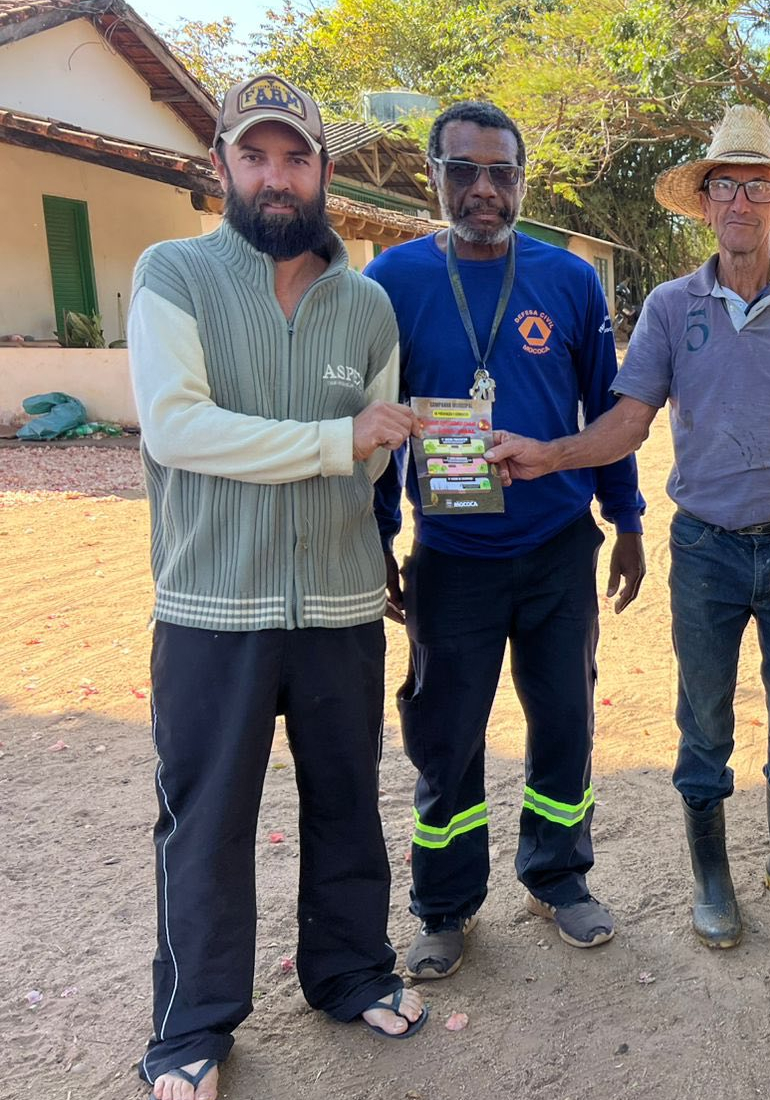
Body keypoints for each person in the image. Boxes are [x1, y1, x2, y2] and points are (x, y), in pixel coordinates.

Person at [482, 105, 770, 948]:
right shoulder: (667, 307)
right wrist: (548, 455)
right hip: (706, 550)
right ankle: (713, 878)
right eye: (722, 185)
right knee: (705, 720)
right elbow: (627, 423)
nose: (739, 201)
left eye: (755, 186)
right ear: (703, 203)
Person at [129, 72, 426, 1100]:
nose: (274, 176)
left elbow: (382, 456)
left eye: (294, 157)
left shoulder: (370, 305)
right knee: (206, 821)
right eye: (253, 156)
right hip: (214, 606)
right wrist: (331, 440)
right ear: (220, 167)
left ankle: (349, 969)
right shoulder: (172, 274)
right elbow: (177, 426)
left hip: (341, 605)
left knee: (347, 804)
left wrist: (389, 452)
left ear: (322, 173)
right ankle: (190, 1030)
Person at [367, 101, 646, 978]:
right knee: (445, 737)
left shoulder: (569, 281)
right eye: (464, 171)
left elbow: (607, 409)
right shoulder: (393, 283)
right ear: (434, 175)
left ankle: (559, 878)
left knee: (563, 722)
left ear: (522, 180)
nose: (484, 189)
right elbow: (375, 429)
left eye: (502, 172)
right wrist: (379, 538)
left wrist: (627, 521)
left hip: (559, 548)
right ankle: (444, 907)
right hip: (451, 561)